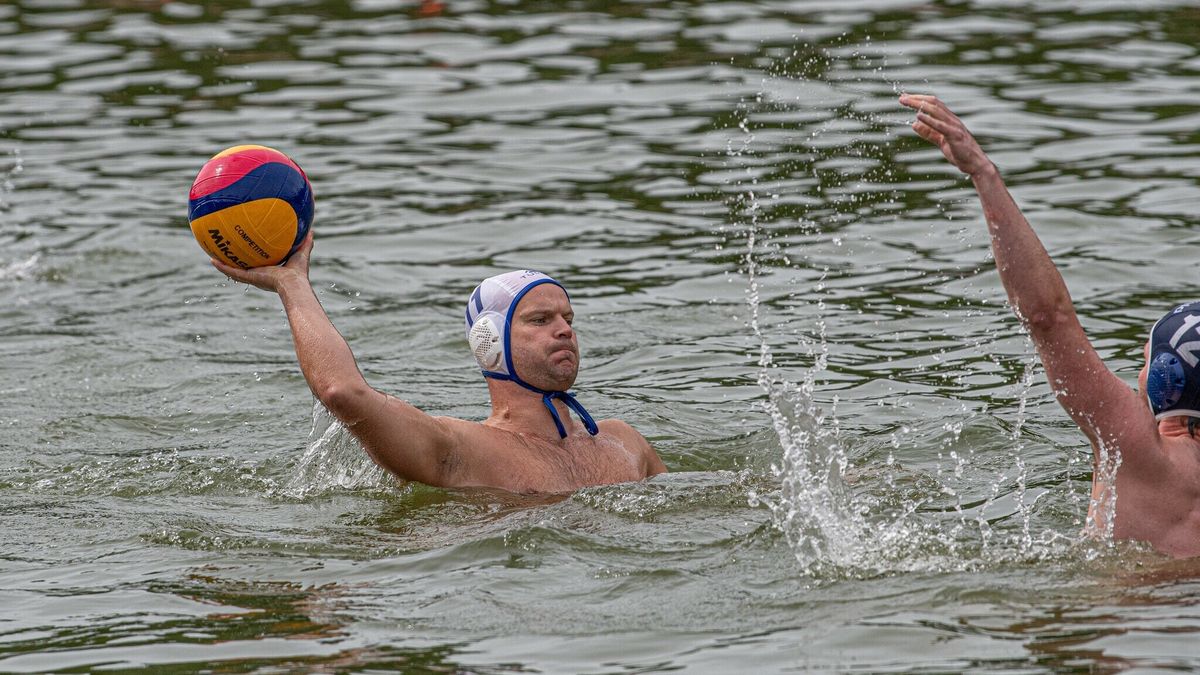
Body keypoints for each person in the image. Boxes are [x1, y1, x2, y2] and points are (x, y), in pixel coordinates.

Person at [901, 93, 1200, 557]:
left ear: (1165, 380)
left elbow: (1047, 318)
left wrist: (984, 173)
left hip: (1124, 614)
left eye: (1145, 361)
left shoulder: (1136, 448)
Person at [213, 240, 667, 493]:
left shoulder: (624, 442)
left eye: (568, 318)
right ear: (490, 343)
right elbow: (342, 392)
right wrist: (291, 283)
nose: (565, 330)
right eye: (540, 320)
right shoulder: (459, 449)